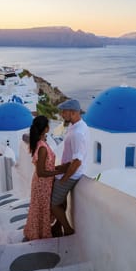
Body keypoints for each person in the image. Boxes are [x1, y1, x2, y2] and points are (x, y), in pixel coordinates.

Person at [51, 99, 89, 236]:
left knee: (53, 204)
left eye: (64, 112)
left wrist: (64, 178)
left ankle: (67, 229)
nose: (61, 114)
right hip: (68, 171)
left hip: (71, 174)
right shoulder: (78, 126)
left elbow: (77, 161)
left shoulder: (77, 133)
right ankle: (57, 226)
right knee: (61, 202)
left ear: (73, 113)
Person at [24, 115, 62, 241]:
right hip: (42, 183)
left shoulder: (41, 143)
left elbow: (46, 166)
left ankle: (39, 233)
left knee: (41, 209)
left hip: (44, 183)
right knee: (41, 209)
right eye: (48, 125)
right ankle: (40, 234)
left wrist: (57, 169)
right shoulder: (42, 148)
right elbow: (41, 172)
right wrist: (56, 172)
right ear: (45, 128)